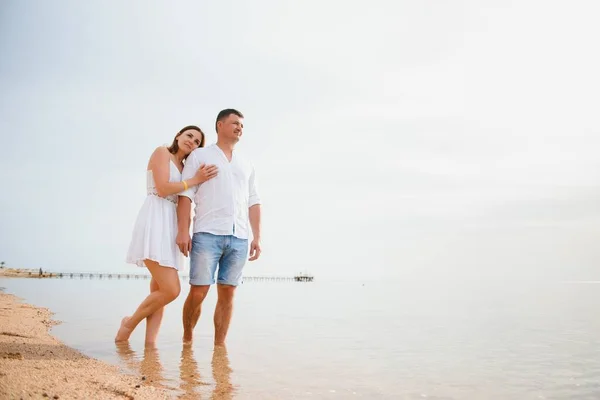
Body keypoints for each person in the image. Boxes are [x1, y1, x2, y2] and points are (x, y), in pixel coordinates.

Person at [115, 125, 218, 343]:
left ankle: (150, 346)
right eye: (189, 136)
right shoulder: (162, 152)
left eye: (197, 141)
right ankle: (128, 325)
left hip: (170, 224)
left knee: (159, 290)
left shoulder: (185, 167)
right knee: (172, 290)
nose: (192, 141)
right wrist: (195, 180)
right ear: (179, 135)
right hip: (155, 217)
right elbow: (162, 188)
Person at [176, 109, 262, 346]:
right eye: (235, 123)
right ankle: (187, 339)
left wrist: (257, 237)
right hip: (207, 233)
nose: (239, 128)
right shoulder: (200, 155)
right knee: (199, 291)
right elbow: (186, 194)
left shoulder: (246, 163)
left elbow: (254, 200)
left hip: (239, 237)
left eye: (242, 126)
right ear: (220, 125)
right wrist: (183, 231)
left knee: (228, 293)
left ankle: (219, 348)